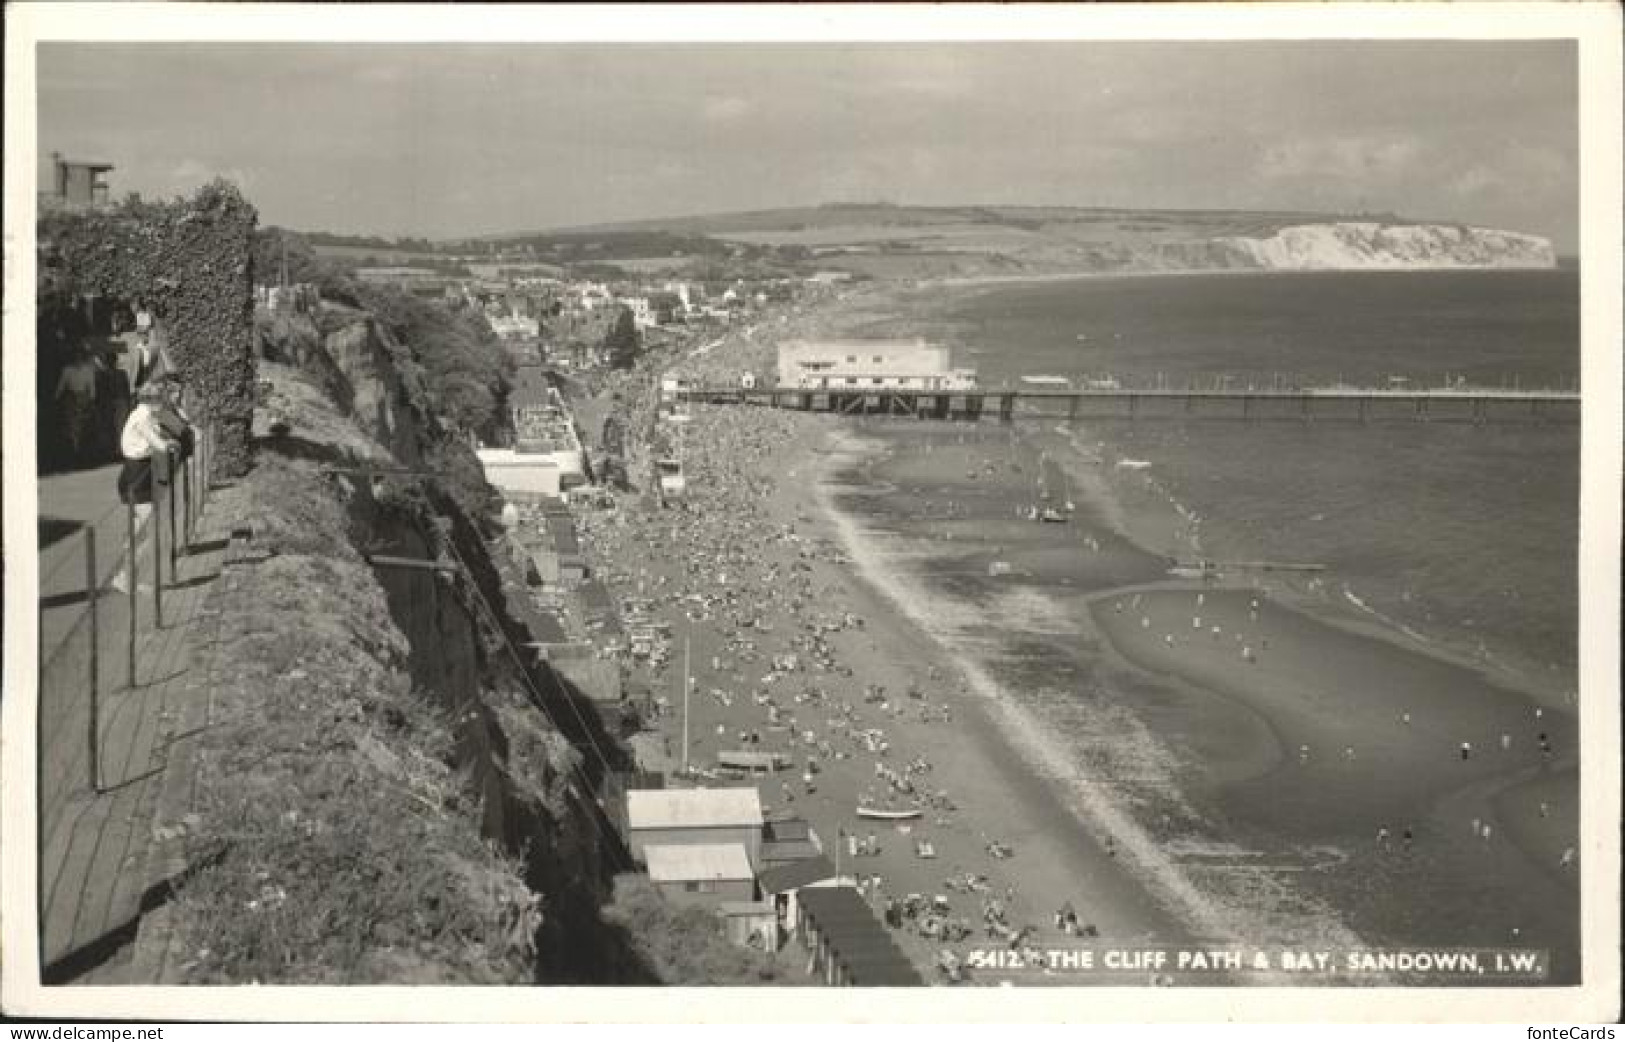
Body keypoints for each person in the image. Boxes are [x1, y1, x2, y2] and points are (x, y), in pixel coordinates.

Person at [110, 384, 182, 594]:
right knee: (145, 532)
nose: (164, 401)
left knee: (141, 531)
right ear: (152, 399)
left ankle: (128, 578)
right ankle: (126, 578)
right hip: (137, 475)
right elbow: (156, 443)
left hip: (141, 472)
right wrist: (172, 445)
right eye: (161, 397)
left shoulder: (145, 415)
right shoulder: (142, 417)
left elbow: (156, 438)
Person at [53, 344, 102, 465]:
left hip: (84, 400)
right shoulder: (67, 370)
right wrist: (55, 398)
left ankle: (84, 454)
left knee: (85, 427)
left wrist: (92, 400)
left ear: (83, 357)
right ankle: (74, 452)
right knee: (72, 427)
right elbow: (61, 386)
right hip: (71, 400)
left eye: (80, 356)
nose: (78, 358)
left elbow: (92, 387)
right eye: (76, 356)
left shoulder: (88, 370)